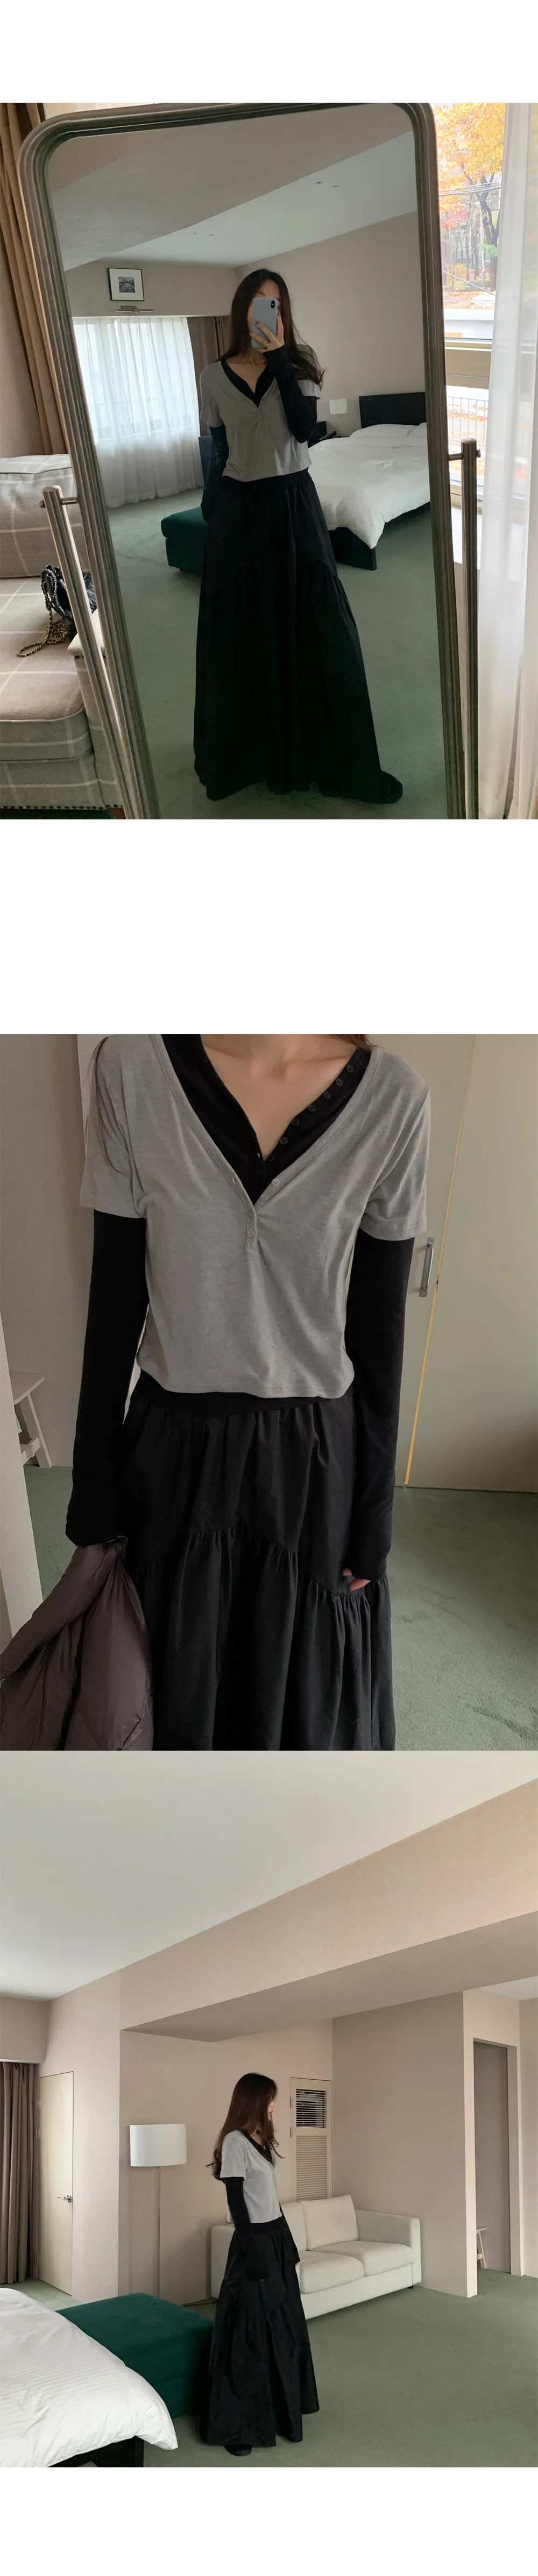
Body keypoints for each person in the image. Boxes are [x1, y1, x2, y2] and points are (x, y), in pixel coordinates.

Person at [66, 1032, 430, 1750]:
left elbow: (379, 1329)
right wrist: (92, 1482)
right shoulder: (132, 1071)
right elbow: (114, 1297)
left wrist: (374, 1512)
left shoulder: (394, 1097)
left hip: (314, 1463)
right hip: (173, 1452)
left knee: (297, 1702)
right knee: (162, 1688)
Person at [194, 268, 402, 805]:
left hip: (293, 504)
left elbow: (304, 431)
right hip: (239, 511)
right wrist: (212, 513)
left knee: (321, 620)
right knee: (243, 625)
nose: (266, 311)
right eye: (258, 302)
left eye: (276, 304)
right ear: (241, 308)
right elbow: (218, 451)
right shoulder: (212, 377)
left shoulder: (302, 366)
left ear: (284, 313)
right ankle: (249, 755)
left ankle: (335, 759)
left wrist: (281, 359)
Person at [203, 2074, 319, 2454]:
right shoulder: (235, 2142)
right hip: (252, 2242)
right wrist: (255, 2256)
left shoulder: (264, 2141)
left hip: (275, 2237)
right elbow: (238, 2204)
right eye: (270, 2099)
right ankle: (240, 2426)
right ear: (254, 2101)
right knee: (249, 2332)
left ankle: (281, 2410)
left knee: (284, 2326)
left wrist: (289, 2246)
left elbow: (271, 2200)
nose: (274, 2106)